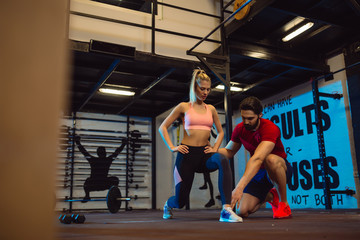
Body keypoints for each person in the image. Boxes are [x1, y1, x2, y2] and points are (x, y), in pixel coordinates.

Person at [158, 69, 242, 223]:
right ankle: (167, 205)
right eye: (202, 88)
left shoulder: (210, 109)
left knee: (222, 159)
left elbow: (221, 132)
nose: (205, 92)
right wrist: (172, 147)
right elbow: (162, 127)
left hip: (204, 155)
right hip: (186, 156)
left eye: (208, 89)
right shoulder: (183, 107)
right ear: (194, 88)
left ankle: (226, 209)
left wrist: (215, 148)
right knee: (180, 201)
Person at [218, 96, 293, 219]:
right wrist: (209, 151)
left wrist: (239, 188)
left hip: (279, 169)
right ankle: (270, 196)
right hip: (259, 173)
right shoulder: (240, 129)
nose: (246, 122)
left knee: (270, 159)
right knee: (241, 210)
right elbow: (229, 151)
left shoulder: (270, 128)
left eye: (250, 118)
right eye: (243, 118)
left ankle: (283, 203)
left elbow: (258, 158)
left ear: (260, 115)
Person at [74, 135, 127, 202]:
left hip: (94, 185)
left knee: (88, 181)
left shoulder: (93, 160)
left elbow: (83, 151)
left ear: (97, 153)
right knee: (115, 180)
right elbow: (117, 152)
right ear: (105, 153)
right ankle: (114, 195)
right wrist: (123, 144)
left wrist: (77, 142)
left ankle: (87, 195)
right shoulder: (107, 160)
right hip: (102, 184)